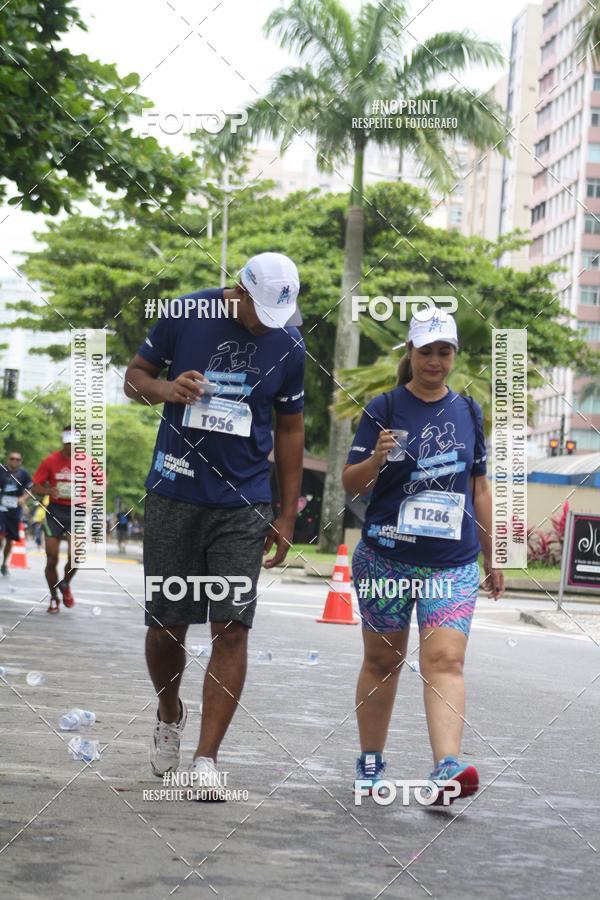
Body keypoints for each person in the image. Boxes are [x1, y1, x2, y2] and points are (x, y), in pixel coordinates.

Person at [124, 251, 305, 797]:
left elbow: (291, 431)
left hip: (243, 503)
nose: (265, 323)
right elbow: (135, 377)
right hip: (175, 491)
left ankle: (207, 758)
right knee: (166, 626)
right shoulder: (185, 314)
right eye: (258, 310)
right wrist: (166, 389)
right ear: (240, 290)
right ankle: (169, 710)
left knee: (231, 627)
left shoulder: (290, 343)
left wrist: (287, 513)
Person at [343, 310, 504, 805]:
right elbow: (351, 486)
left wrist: (491, 554)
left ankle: (445, 770)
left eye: (445, 351)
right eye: (426, 351)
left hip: (451, 562)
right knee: (383, 660)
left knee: (446, 660)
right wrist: (376, 459)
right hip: (386, 558)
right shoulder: (384, 407)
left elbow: (477, 487)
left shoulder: (469, 412)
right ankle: (371, 759)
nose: (436, 361)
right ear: (409, 353)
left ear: (454, 355)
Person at [31, 428, 78, 613]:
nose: (71, 444)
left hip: (77, 513)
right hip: (55, 513)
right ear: (63, 440)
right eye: (68, 440)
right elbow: (35, 486)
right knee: (51, 559)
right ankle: (53, 598)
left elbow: (100, 483)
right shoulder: (50, 461)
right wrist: (48, 491)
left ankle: (65, 584)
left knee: (75, 557)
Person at [0, 451, 32, 575]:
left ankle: (4, 563)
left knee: (9, 539)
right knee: (1, 534)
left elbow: (30, 488)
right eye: (12, 459)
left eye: (17, 459)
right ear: (8, 459)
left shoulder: (24, 474)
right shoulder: (1, 470)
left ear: (20, 461)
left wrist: (23, 499)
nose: (14, 461)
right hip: (1, 507)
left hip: (14, 509)